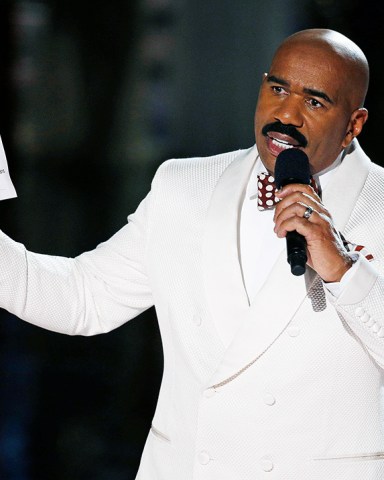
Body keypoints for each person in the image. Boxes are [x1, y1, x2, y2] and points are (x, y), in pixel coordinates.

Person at [2, 27, 384, 479]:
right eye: (277, 89)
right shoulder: (185, 186)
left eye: (315, 102)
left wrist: (343, 270)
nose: (286, 114)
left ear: (354, 124)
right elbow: (83, 299)